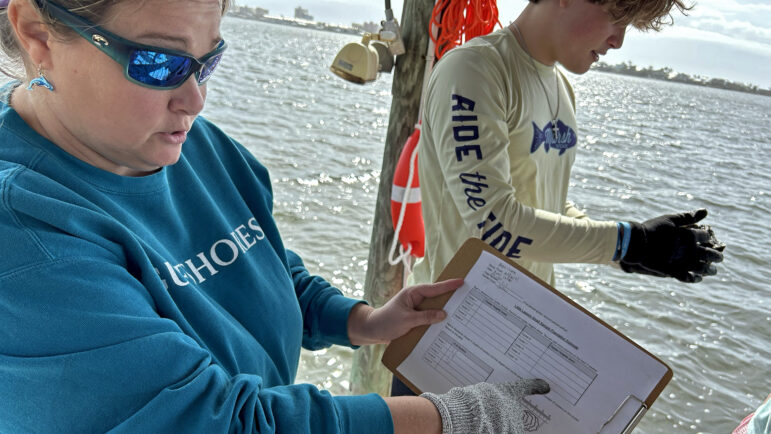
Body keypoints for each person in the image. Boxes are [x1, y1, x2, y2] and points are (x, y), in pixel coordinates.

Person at [0, 0, 552, 432]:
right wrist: (457, 418)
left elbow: (265, 266)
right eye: (158, 63)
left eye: (207, 61)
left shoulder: (196, 146)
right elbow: (221, 422)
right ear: (37, 35)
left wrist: (361, 321)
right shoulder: (25, 237)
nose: (194, 99)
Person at [393, 0, 725, 396]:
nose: (618, 41)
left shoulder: (561, 88)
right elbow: (495, 223)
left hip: (519, 344)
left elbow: (548, 206)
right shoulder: (474, 70)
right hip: (446, 339)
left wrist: (636, 257)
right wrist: (628, 242)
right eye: (617, 19)